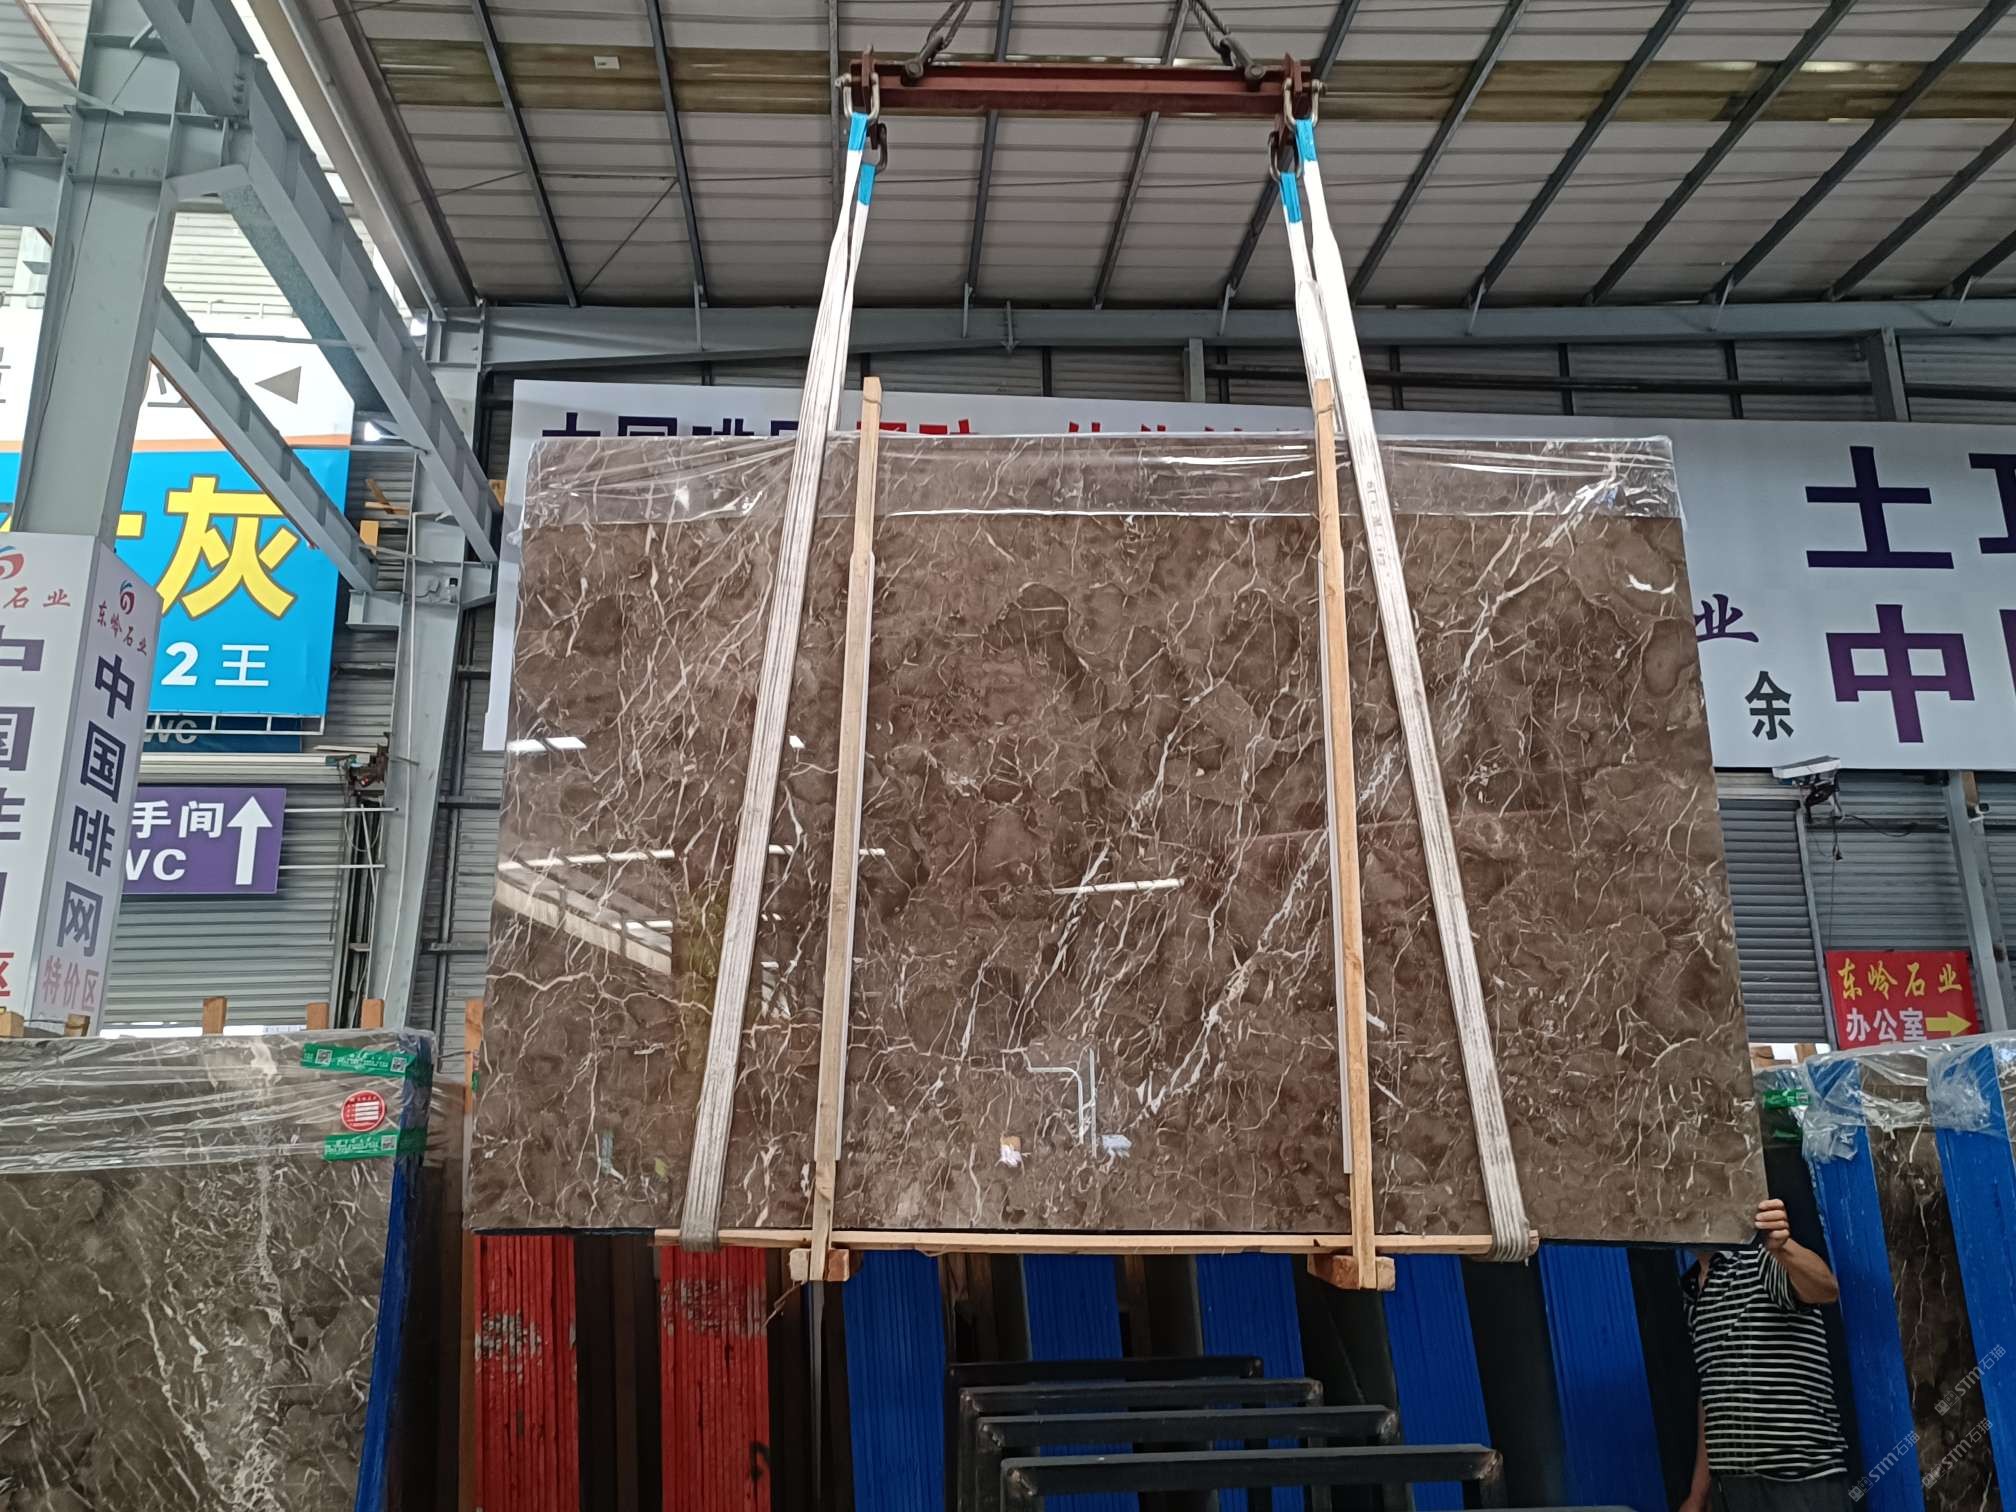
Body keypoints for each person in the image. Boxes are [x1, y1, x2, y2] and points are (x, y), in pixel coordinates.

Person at [1678, 1197, 1850, 1512]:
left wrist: (1784, 1248)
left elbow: (1826, 1289)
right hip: (1733, 1488)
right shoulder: (1691, 1291)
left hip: (1800, 1481)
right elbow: (1712, 1394)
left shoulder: (1759, 1258)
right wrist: (1698, 1494)